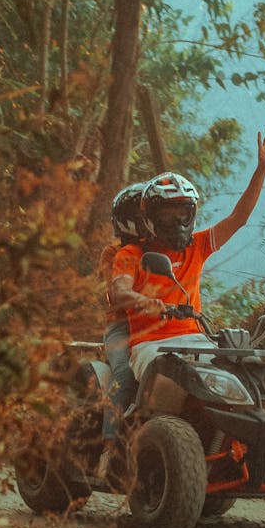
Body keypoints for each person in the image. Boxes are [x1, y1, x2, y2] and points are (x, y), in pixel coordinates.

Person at [109, 129, 265, 381]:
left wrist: (261, 171)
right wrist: (145, 302)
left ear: (192, 213)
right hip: (151, 346)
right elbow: (118, 291)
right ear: (151, 216)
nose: (177, 220)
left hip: (199, 341)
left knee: (242, 375)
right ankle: (145, 421)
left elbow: (238, 218)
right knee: (170, 384)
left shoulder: (197, 245)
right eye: (167, 213)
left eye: (183, 212)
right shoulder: (131, 253)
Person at [96, 183, 150, 477]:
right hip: (122, 327)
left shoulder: (164, 247)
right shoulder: (114, 252)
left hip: (159, 328)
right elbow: (114, 291)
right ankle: (109, 446)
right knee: (124, 376)